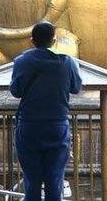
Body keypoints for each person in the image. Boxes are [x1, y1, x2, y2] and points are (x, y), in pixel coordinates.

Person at [9, 22, 83, 201]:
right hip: (57, 126)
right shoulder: (68, 62)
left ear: (31, 41)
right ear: (54, 40)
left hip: (29, 126)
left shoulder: (22, 62)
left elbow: (16, 91)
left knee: (32, 183)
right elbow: (76, 87)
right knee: (54, 182)